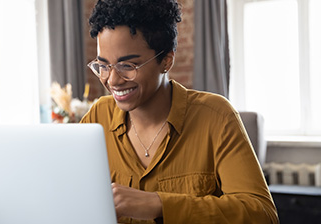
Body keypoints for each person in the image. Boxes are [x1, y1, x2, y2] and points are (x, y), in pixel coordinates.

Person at [81, 0, 279, 223]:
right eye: (103, 66)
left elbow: (262, 214)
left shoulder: (217, 117)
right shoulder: (97, 118)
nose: (112, 80)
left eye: (128, 66)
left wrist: (159, 205)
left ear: (166, 61)